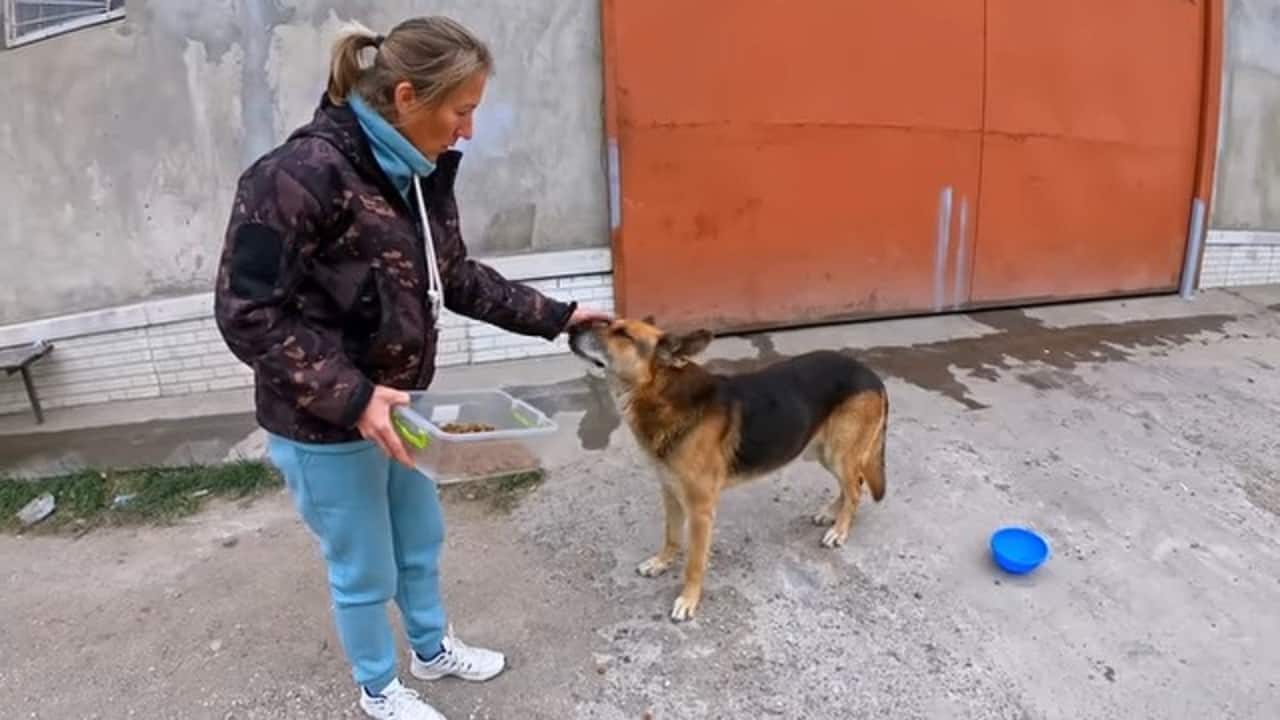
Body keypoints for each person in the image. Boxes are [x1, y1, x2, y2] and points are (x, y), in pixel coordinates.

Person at [213, 16, 610, 720]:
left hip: (402, 409)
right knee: (364, 567)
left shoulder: (416, 176)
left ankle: (431, 650)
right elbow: (248, 312)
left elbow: (452, 276)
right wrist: (354, 397)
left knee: (419, 541)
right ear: (406, 97)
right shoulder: (294, 177)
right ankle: (378, 687)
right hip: (324, 425)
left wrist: (559, 314)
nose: (467, 131)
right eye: (461, 111)